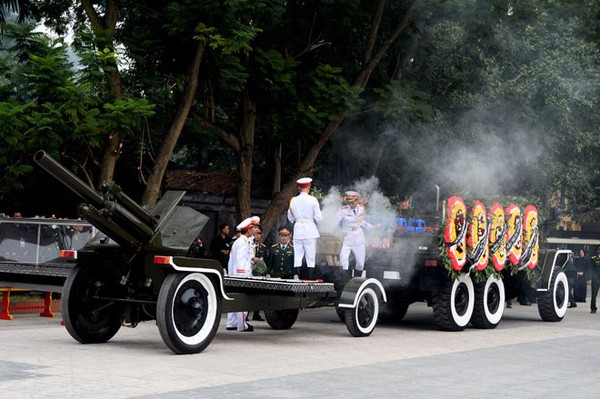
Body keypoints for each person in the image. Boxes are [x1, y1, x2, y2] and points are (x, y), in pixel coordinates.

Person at [225, 217, 259, 332]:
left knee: (234, 298)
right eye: (253, 228)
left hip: (235, 273)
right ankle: (242, 325)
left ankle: (232, 323)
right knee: (242, 300)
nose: (254, 230)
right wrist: (241, 275)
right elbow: (240, 260)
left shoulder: (239, 241)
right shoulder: (243, 242)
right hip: (241, 274)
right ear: (248, 230)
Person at [287, 177, 322, 280]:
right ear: (309, 187)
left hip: (298, 229)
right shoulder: (313, 200)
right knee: (310, 257)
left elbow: (290, 217)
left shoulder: (293, 200)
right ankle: (310, 280)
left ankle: (296, 278)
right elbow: (319, 218)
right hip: (310, 230)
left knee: (297, 256)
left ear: (299, 187)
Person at [337, 191, 373, 278]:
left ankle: (357, 280)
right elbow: (335, 221)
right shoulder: (343, 209)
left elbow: (362, 222)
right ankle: (344, 280)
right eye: (349, 202)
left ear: (357, 201)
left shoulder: (361, 209)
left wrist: (371, 227)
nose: (351, 204)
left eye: (353, 202)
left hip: (358, 236)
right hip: (347, 236)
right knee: (343, 261)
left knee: (360, 263)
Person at [589, 245, 600, 314]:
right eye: (598, 249)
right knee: (594, 295)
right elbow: (590, 269)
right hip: (596, 278)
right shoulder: (593, 259)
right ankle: (593, 308)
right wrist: (590, 278)